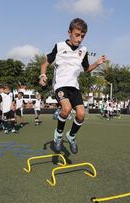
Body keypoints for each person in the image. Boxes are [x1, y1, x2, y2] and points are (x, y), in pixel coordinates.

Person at [39, 18, 107, 154]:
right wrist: (43, 76)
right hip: (60, 85)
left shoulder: (83, 50)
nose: (79, 39)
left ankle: (71, 136)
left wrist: (98, 63)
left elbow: (86, 69)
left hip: (74, 87)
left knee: (81, 114)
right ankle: (58, 135)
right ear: (69, 32)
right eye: (77, 35)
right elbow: (44, 64)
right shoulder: (59, 46)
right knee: (66, 108)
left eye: (82, 36)